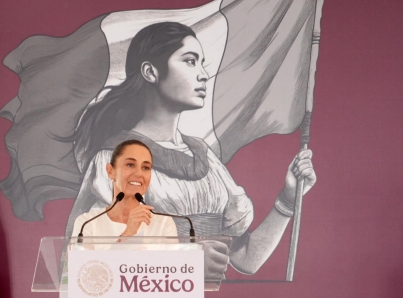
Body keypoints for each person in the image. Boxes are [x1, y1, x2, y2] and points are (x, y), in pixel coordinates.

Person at [64, 22, 316, 276]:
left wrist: (288, 199)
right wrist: (185, 262)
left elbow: (246, 260)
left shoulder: (204, 156)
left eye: (202, 62)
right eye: (190, 61)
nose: (203, 74)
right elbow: (88, 269)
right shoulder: (118, 160)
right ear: (151, 72)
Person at [71, 140, 178, 237]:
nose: (139, 174)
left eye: (145, 167)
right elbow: (85, 259)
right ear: (110, 171)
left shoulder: (164, 223)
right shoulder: (87, 223)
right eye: (130, 165)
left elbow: (170, 259)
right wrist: (128, 233)